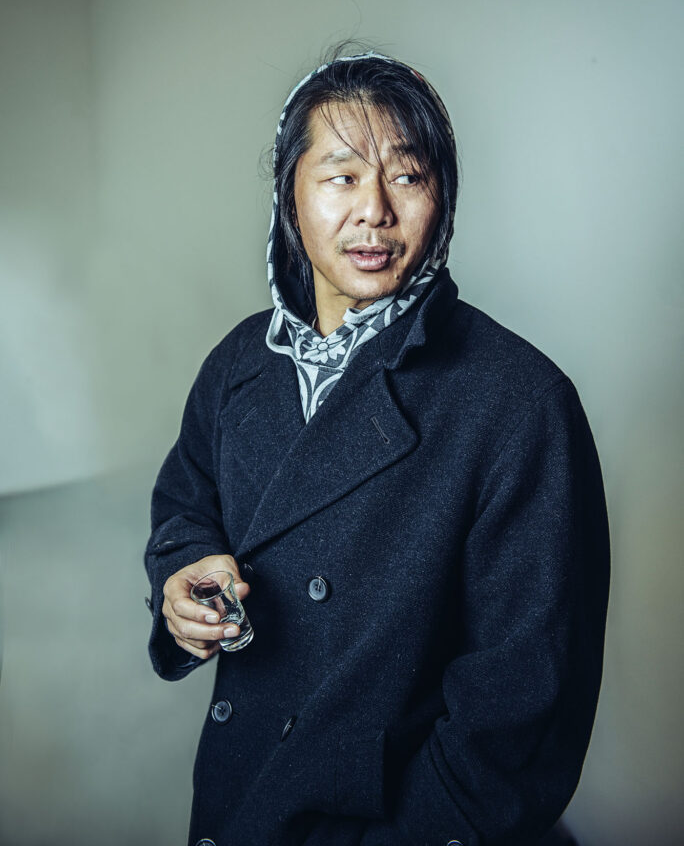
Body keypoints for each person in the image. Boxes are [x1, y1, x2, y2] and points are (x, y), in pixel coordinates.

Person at [144, 47, 610, 846]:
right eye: (342, 176)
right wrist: (184, 575)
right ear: (290, 196)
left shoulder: (520, 402)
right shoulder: (238, 364)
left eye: (407, 175)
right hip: (239, 798)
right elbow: (187, 502)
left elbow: (521, 715)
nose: (375, 211)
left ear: (443, 195)